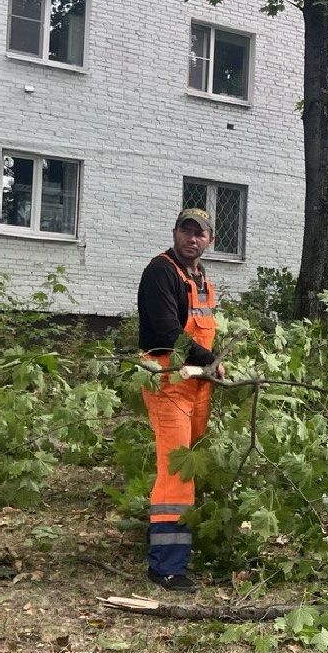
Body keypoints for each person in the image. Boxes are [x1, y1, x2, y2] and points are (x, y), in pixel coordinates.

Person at [137, 206, 224, 592]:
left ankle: (182, 545)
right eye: (186, 231)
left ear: (209, 240)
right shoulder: (160, 272)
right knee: (176, 472)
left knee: (194, 465)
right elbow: (169, 330)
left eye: (199, 233)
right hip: (169, 380)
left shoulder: (200, 276)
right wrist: (210, 361)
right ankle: (166, 566)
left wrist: (209, 366)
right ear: (175, 233)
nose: (192, 238)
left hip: (197, 383)